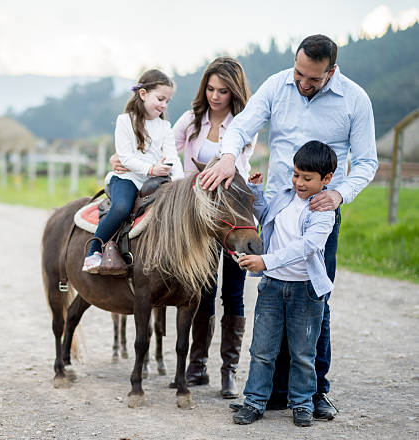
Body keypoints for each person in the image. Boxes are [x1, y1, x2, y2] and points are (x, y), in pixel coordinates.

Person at [200, 35, 378, 420]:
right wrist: (230, 158)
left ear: (331, 71)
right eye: (299, 72)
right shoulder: (277, 85)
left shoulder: (354, 100)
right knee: (274, 297)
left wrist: (340, 194)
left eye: (313, 78)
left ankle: (314, 392)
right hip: (277, 209)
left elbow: (366, 162)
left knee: (314, 301)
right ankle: (274, 393)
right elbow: (241, 127)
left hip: (320, 209)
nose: (302, 82)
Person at [111, 57, 257, 397]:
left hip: (230, 207)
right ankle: (198, 364)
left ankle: (229, 370)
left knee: (233, 294)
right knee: (200, 290)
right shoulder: (191, 120)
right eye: (210, 88)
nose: (216, 96)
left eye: (223, 90)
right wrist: (123, 159)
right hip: (195, 213)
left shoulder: (245, 123)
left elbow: (242, 165)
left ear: (235, 91)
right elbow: (164, 150)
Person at [233, 140, 337, 427]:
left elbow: (308, 245)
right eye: (295, 175)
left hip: (305, 289)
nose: (299, 182)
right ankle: (254, 401)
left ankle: (302, 403)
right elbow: (267, 216)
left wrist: (266, 261)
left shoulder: (324, 210)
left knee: (303, 352)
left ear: (326, 180)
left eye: (307, 178)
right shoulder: (285, 195)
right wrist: (256, 191)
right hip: (273, 287)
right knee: (262, 349)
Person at [82, 69, 183, 273]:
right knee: (121, 208)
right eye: (160, 98)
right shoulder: (124, 121)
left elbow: (173, 157)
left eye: (168, 101)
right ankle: (93, 252)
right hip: (127, 178)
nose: (164, 105)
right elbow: (125, 157)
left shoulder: (164, 127)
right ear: (143, 94)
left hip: (155, 181)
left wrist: (179, 182)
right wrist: (152, 168)